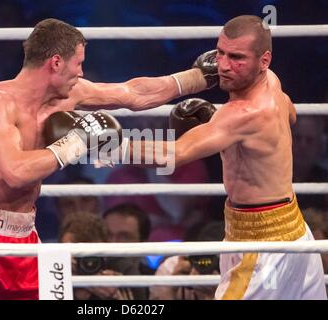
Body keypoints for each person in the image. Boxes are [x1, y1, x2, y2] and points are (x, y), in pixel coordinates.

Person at [0, 18, 215, 300]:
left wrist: (199, 78)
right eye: (77, 64)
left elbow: (133, 93)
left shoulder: (70, 94)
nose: (81, 72)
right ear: (56, 62)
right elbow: (16, 171)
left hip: (23, 234)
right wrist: (76, 143)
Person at [132, 15, 327, 299]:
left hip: (260, 246)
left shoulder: (242, 113)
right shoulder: (272, 82)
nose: (223, 65)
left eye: (236, 57)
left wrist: (98, 144)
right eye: (220, 52)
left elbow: (174, 154)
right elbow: (291, 114)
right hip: (295, 232)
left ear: (264, 60)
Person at [59, 211, 146, 300]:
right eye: (71, 251)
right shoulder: (53, 272)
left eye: (87, 255)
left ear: (104, 253)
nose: (78, 261)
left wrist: (115, 296)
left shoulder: (122, 271)